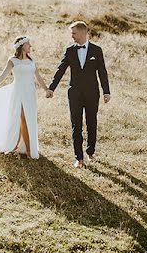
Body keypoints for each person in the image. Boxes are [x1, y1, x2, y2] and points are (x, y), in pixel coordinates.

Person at [0, 36, 50, 159]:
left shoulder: (31, 60)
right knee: (23, 117)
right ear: (22, 46)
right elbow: (2, 76)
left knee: (29, 119)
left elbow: (38, 77)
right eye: (28, 44)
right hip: (18, 92)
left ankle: (18, 146)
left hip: (30, 93)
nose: (30, 46)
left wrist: (46, 89)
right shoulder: (13, 61)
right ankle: (28, 151)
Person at [47, 21, 111, 168]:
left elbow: (102, 72)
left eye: (74, 33)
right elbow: (60, 69)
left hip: (92, 93)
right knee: (76, 124)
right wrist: (51, 88)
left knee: (91, 122)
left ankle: (90, 152)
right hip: (74, 93)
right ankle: (78, 158)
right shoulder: (70, 50)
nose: (72, 36)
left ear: (83, 32)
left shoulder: (96, 50)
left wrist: (106, 91)